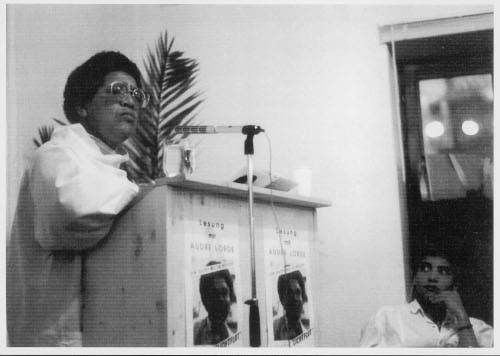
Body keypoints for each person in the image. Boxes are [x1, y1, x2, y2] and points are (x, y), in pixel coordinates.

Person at [7, 51, 149, 346]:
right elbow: (72, 211)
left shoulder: (107, 166)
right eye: (117, 90)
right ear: (83, 106)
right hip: (55, 339)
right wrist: (141, 190)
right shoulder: (55, 154)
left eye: (136, 93)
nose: (130, 100)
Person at [359, 246, 493, 347]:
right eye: (425, 269)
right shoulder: (387, 318)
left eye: (443, 272)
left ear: (454, 285)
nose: (433, 277)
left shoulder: (478, 328)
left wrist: (461, 315)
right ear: (415, 278)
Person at [193, 262, 237, 345]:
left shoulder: (235, 336)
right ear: (204, 299)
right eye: (214, 294)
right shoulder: (194, 330)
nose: (220, 299)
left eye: (224, 292)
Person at [274, 270, 309, 341]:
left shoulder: (308, 328)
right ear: (282, 299)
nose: (295, 298)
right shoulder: (275, 327)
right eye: (289, 293)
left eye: (298, 292)